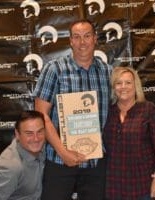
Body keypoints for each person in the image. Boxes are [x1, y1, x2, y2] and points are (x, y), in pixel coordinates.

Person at [33, 19, 112, 200]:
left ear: (95, 39)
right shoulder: (54, 69)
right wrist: (63, 152)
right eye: (76, 37)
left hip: (96, 162)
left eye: (86, 36)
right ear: (70, 41)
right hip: (60, 159)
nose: (82, 42)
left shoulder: (107, 72)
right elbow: (40, 115)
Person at [103, 67, 155, 200]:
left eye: (128, 83)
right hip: (113, 186)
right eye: (118, 83)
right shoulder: (107, 112)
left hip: (141, 185)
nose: (123, 87)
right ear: (114, 87)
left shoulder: (148, 110)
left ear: (135, 85)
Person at [0, 110, 46, 200]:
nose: (36, 138)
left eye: (40, 131)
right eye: (29, 133)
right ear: (17, 134)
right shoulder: (10, 167)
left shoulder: (43, 148)